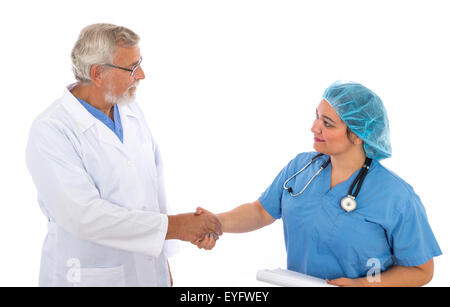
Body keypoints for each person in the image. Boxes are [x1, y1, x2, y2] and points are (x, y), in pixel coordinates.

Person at [25, 23, 221, 287]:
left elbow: (154, 192)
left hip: (148, 271)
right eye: (131, 67)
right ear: (98, 73)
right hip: (86, 276)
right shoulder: (51, 130)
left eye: (139, 63)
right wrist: (176, 227)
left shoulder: (130, 112)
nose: (141, 74)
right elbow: (83, 215)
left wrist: (165, 261)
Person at [194, 81, 442, 287]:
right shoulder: (301, 167)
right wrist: (215, 222)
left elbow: (422, 270)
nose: (314, 127)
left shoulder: (395, 196)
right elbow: (261, 211)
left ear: (357, 134)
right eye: (317, 117)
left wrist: (362, 285)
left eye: (327, 123)